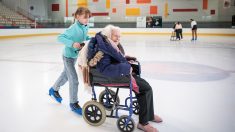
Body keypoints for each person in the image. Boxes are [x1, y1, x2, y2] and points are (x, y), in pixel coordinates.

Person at [88, 25, 163, 132]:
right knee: (145, 89)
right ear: (109, 35)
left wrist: (126, 59)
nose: (118, 38)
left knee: (146, 86)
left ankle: (148, 115)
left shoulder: (109, 45)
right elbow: (105, 69)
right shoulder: (103, 50)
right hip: (112, 77)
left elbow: (115, 59)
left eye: (119, 36)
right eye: (115, 36)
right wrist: (126, 67)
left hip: (120, 74)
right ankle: (143, 123)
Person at [49, 7, 91, 115]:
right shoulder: (73, 28)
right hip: (67, 57)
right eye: (85, 17)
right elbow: (60, 37)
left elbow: (84, 36)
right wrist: (72, 44)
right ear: (77, 17)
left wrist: (90, 38)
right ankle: (73, 103)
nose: (87, 19)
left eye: (88, 17)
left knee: (66, 75)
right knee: (74, 79)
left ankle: (54, 89)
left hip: (75, 56)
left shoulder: (85, 26)